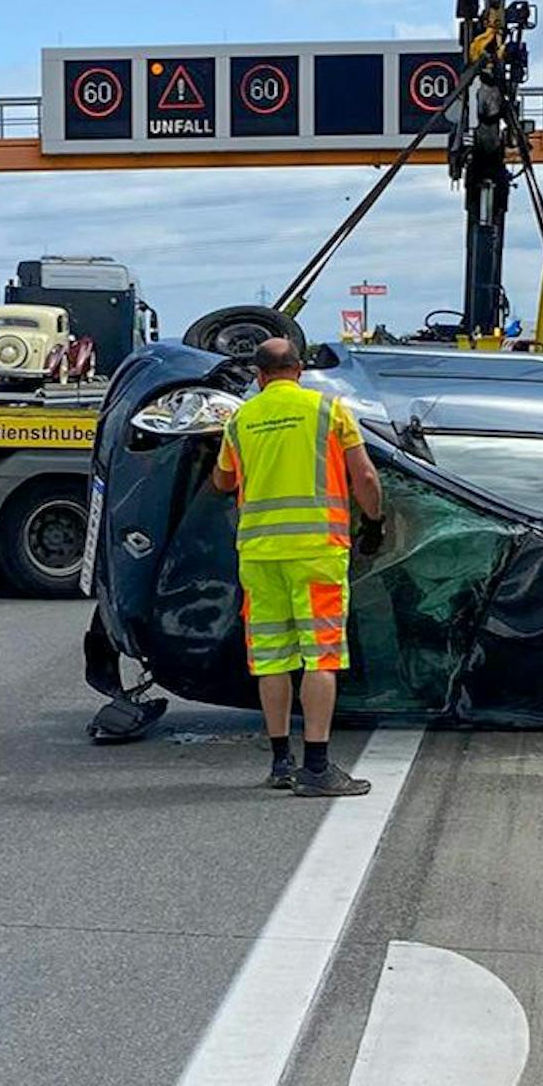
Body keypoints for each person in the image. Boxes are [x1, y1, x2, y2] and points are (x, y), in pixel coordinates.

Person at [211, 336, 385, 798]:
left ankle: (281, 762)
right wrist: (375, 519)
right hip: (317, 551)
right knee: (320, 657)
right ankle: (318, 767)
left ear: (259, 375)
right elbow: (365, 476)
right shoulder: (327, 410)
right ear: (300, 370)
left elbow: (221, 480)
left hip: (260, 554)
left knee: (271, 658)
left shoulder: (241, 419)